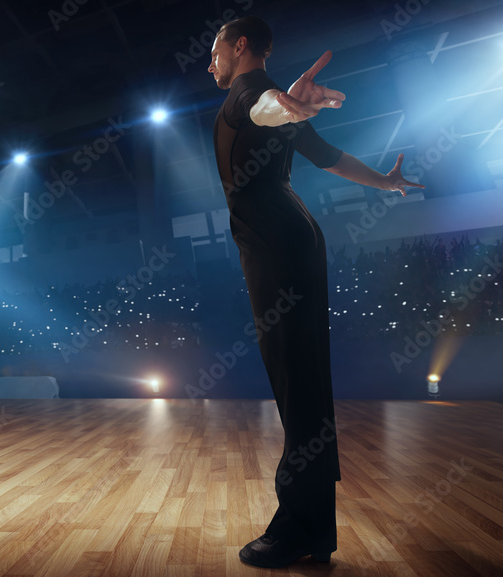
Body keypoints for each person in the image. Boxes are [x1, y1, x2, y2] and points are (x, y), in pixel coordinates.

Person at [207, 16, 423, 568]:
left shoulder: (248, 93)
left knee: (298, 385)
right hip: (290, 238)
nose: (211, 64)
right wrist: (384, 181)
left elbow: (263, 107)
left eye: (215, 52)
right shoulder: (261, 97)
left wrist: (285, 104)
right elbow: (327, 157)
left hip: (280, 244)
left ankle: (297, 529)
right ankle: (312, 528)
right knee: (300, 385)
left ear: (240, 46)